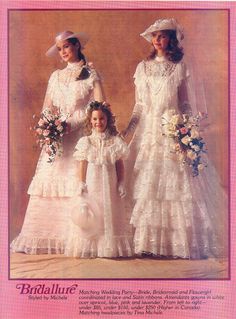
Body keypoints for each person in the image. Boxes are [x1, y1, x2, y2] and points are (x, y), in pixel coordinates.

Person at [122, 18, 227, 259]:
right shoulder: (142, 67)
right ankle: (145, 243)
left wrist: (189, 127)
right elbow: (139, 105)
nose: (157, 40)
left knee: (176, 187)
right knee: (147, 186)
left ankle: (176, 244)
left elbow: (185, 102)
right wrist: (128, 130)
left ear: (171, 39)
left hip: (171, 128)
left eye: (162, 35)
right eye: (154, 36)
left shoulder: (180, 67)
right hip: (148, 133)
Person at [11, 31, 104, 254]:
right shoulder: (55, 76)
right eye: (60, 49)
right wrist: (49, 127)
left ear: (77, 46)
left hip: (79, 136)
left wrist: (74, 122)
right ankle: (44, 236)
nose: (63, 52)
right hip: (56, 137)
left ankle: (76, 238)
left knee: (77, 180)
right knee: (50, 179)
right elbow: (47, 108)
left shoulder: (90, 73)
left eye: (66, 47)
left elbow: (99, 106)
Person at [65, 101, 133, 258]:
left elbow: (119, 164)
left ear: (108, 120)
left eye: (102, 118)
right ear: (90, 121)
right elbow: (82, 163)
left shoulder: (115, 142)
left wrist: (121, 182)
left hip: (110, 184)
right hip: (92, 184)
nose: (98, 122)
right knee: (92, 212)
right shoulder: (86, 142)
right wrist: (81, 182)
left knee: (109, 211)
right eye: (95, 119)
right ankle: (90, 246)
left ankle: (107, 247)